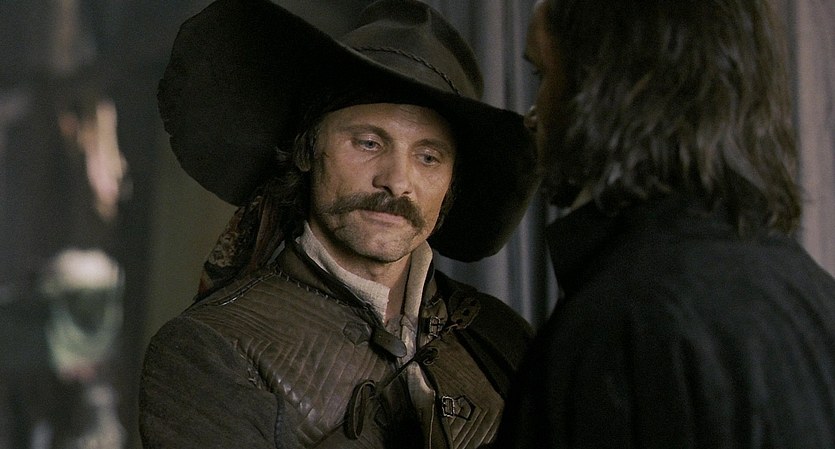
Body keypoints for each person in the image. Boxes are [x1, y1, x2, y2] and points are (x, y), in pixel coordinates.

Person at [139, 0, 540, 448]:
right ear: (307, 150)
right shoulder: (210, 349)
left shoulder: (501, 338)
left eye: (428, 157)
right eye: (368, 143)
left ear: (451, 184)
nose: (397, 181)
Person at [493, 0, 835, 447]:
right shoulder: (813, 292)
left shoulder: (619, 323)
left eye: (542, 75)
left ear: (607, 89)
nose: (532, 115)